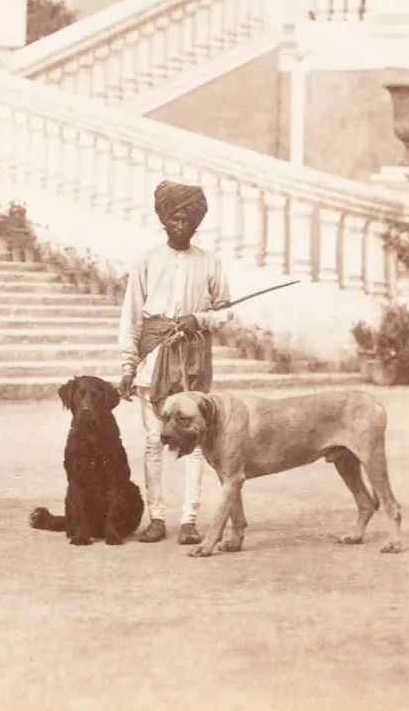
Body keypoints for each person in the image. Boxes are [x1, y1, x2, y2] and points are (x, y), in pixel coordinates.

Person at [118, 181, 231, 545]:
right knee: (155, 439)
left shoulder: (210, 262)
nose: (180, 224)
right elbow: (132, 316)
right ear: (163, 220)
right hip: (153, 358)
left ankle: (189, 520)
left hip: (194, 361)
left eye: (187, 218)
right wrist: (127, 365)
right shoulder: (147, 261)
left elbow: (225, 311)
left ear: (197, 223)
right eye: (173, 217)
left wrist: (199, 319)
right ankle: (157, 518)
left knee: (194, 440)